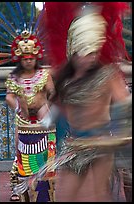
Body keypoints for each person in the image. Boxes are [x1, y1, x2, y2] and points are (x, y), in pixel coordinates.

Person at [41, 2, 132, 202]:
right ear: (74, 51)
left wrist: (121, 134)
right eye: (87, 52)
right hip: (75, 146)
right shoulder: (63, 79)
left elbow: (126, 105)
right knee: (66, 197)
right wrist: (48, 115)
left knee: (98, 195)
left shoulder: (107, 75)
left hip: (101, 145)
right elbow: (58, 108)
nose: (93, 57)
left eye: (95, 52)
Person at [5, 30, 56, 202]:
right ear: (20, 59)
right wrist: (20, 106)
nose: (28, 61)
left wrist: (48, 103)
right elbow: (9, 96)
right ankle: (18, 186)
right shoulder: (14, 77)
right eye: (25, 59)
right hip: (23, 120)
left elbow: (52, 92)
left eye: (31, 58)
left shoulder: (44, 75)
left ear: (36, 58)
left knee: (47, 156)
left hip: (43, 120)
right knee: (21, 155)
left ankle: (45, 188)